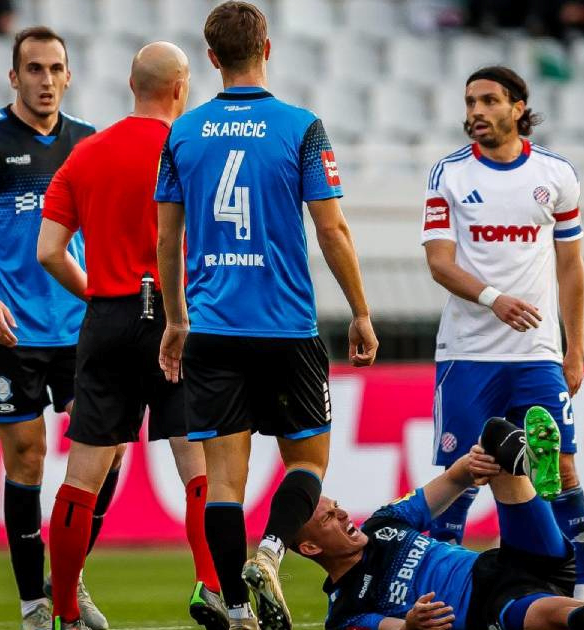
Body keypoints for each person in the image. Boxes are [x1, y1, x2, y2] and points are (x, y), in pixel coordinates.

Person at [154, 3, 378, 630]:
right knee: (307, 463)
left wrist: (176, 320)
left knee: (224, 484)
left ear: (212, 57)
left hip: (213, 329)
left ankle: (232, 606)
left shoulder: (183, 132)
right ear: (268, 50)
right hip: (286, 329)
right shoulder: (301, 127)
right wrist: (360, 311)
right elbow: (331, 229)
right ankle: (273, 552)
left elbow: (165, 242)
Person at [36, 41, 226, 630]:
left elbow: (48, 251)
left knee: (85, 472)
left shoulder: (85, 155)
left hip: (108, 316)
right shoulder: (195, 148)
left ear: (130, 82)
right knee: (199, 468)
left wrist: (95, 290)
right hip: (180, 318)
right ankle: (211, 587)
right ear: (180, 88)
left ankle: (63, 608)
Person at [0, 26, 109, 630]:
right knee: (29, 461)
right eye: (33, 69)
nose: (45, 80)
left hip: (80, 329)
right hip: (6, 331)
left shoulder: (87, 142)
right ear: (14, 77)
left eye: (55, 68)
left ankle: (67, 579)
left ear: (68, 75)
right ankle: (33, 604)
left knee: (105, 456)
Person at [290, 408, 584, 630]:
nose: (341, 512)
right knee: (570, 618)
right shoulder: (346, 613)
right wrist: (412, 623)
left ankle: (531, 469)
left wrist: (473, 466)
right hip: (491, 605)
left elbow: (452, 481)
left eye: (334, 504)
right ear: (309, 547)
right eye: (327, 517)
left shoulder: (385, 523)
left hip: (510, 559)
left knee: (493, 434)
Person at [420, 65, 584, 600]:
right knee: (462, 475)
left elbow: (571, 267)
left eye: (489, 101)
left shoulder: (556, 175)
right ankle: (441, 600)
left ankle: (580, 600)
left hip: (537, 353)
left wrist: (575, 348)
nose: (476, 112)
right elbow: (439, 264)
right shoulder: (448, 174)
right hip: (467, 353)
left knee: (561, 467)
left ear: (518, 107)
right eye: (470, 102)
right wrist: (494, 300)